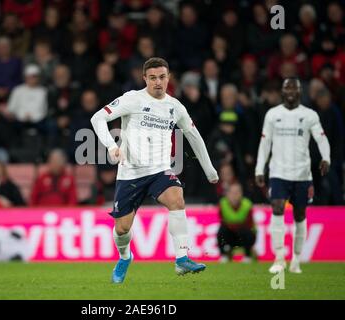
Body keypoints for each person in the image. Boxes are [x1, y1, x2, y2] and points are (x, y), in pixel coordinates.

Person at [90, 57, 218, 283]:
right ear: (144, 79)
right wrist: (111, 145)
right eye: (152, 78)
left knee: (177, 199)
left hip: (160, 170)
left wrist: (209, 169)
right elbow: (97, 117)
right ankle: (125, 256)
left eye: (162, 77)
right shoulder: (132, 99)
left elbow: (194, 136)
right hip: (130, 173)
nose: (158, 82)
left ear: (169, 78)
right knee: (122, 229)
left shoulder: (175, 107)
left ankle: (181, 259)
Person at [255, 78, 331, 274]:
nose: (290, 91)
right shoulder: (273, 114)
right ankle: (279, 257)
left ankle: (296, 258)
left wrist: (326, 158)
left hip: (302, 174)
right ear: (282, 91)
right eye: (286, 88)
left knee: (299, 215)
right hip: (278, 172)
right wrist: (259, 169)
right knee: (277, 207)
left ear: (299, 91)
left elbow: (321, 138)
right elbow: (265, 143)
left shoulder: (309, 115)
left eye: (294, 88)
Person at [217, 183, 256, 263]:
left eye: (237, 193)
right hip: (230, 235)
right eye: (232, 193)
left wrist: (234, 225)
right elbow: (222, 221)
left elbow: (249, 224)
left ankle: (247, 255)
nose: (234, 195)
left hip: (243, 235)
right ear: (227, 194)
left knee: (248, 231)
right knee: (221, 231)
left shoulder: (247, 204)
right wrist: (235, 225)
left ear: (241, 194)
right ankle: (224, 255)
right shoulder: (222, 203)